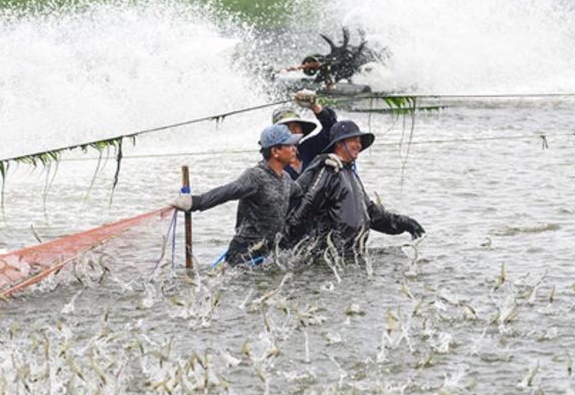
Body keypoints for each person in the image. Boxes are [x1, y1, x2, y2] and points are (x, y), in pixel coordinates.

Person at [167, 124, 306, 266]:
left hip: (268, 251)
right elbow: (228, 192)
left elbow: (300, 192)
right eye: (290, 145)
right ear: (275, 151)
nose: (295, 148)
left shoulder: (286, 178)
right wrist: (196, 202)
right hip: (244, 251)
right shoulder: (256, 176)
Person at [282, 120, 425, 257]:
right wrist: (287, 245)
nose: (359, 145)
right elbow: (306, 207)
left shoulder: (351, 174)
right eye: (354, 140)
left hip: (353, 253)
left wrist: (405, 223)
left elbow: (372, 214)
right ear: (339, 143)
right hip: (330, 257)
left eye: (360, 141)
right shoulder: (329, 171)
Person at [273, 88, 339, 177]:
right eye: (287, 127)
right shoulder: (271, 164)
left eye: (296, 126)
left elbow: (333, 131)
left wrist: (314, 106)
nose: (293, 131)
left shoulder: (309, 148)